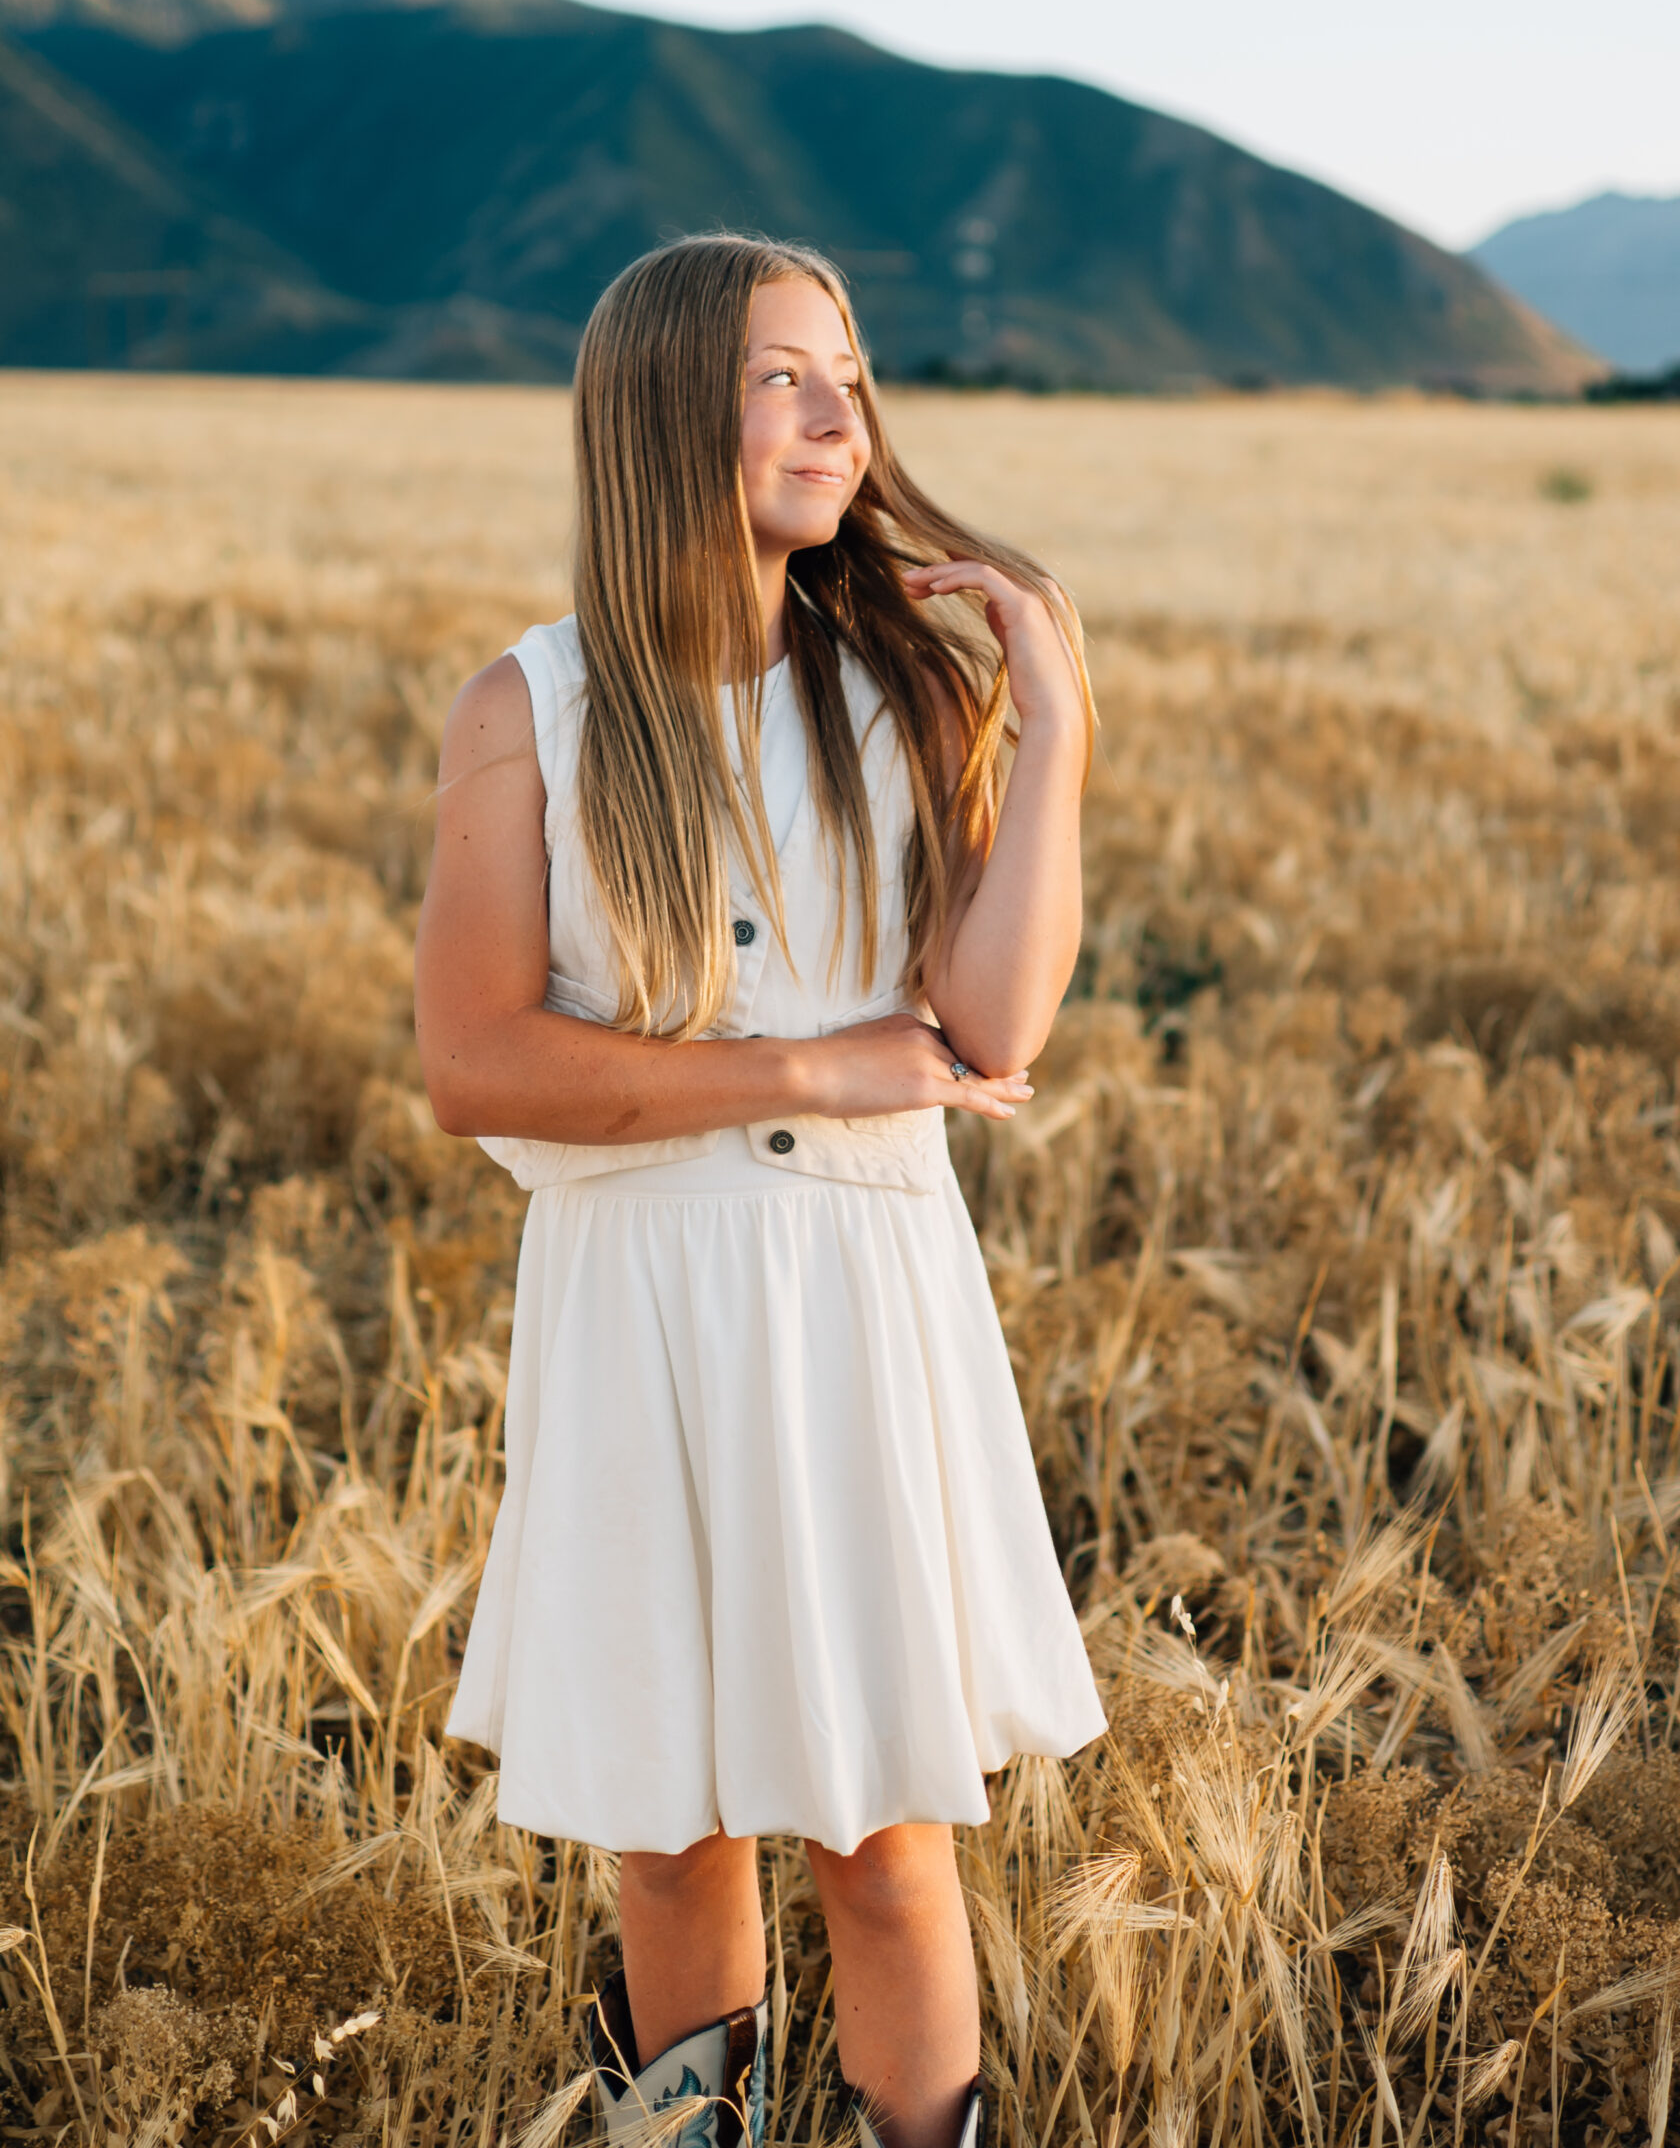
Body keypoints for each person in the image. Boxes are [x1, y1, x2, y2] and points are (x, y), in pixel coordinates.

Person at [415, 235, 1106, 2148]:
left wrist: (1050, 722)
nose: (839, 415)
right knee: (668, 1826)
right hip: (638, 1298)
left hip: (859, 1306)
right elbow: (471, 1060)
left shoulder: (900, 696)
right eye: (783, 376)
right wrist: (797, 1067)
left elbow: (989, 1021)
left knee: (883, 1836)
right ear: (661, 413)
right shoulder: (534, 708)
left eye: (851, 377)